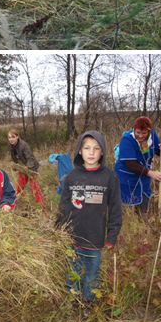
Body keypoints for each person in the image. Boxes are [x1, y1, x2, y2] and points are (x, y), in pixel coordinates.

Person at [56, 131, 122, 307]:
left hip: (95, 238)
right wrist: (58, 231)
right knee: (73, 271)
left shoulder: (110, 177)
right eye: (87, 148)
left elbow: (115, 208)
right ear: (79, 151)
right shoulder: (71, 176)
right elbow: (63, 206)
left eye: (96, 148)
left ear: (102, 152)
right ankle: (74, 300)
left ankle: (88, 302)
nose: (91, 153)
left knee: (92, 274)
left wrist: (112, 235)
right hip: (72, 236)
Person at [114, 116, 161, 212]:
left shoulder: (152, 135)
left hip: (143, 177)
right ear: (134, 129)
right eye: (138, 132)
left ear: (148, 131)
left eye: (144, 133)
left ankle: (143, 222)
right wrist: (152, 173)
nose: (140, 136)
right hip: (126, 177)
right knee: (126, 207)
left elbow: (158, 151)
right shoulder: (127, 140)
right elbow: (131, 164)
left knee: (143, 206)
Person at [7, 129, 44, 205]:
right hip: (23, 169)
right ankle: (20, 204)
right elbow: (15, 159)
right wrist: (17, 169)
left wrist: (29, 169)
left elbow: (30, 158)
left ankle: (42, 208)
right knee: (19, 188)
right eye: (9, 137)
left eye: (13, 137)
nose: (11, 139)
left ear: (17, 137)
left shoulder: (24, 145)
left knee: (35, 189)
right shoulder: (11, 146)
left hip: (31, 168)